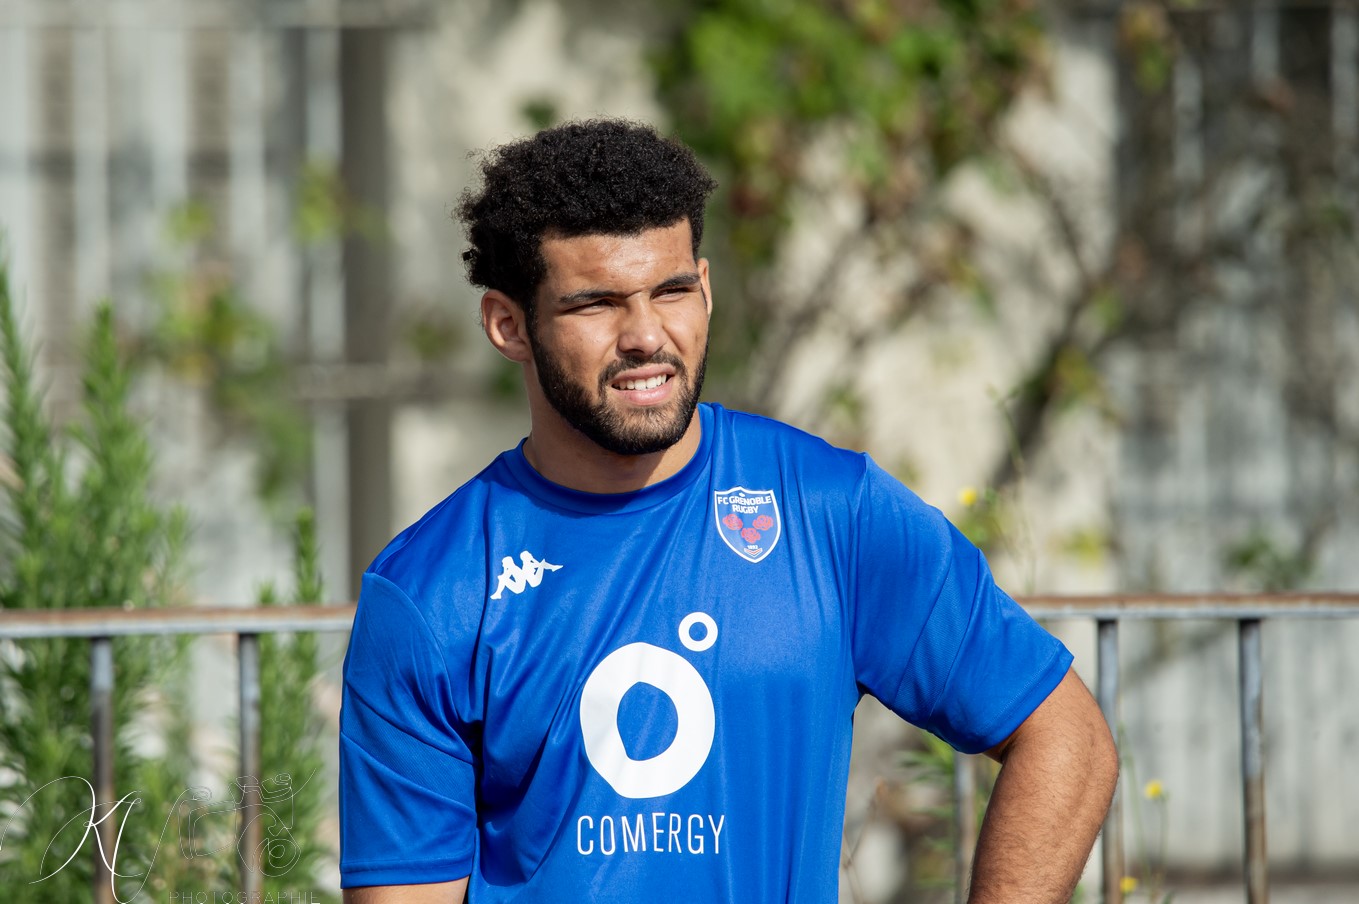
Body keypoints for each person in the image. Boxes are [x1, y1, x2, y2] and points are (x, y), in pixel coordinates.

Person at [339, 118, 1118, 903]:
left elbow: (1065, 737)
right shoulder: (431, 590)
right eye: (596, 304)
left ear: (704, 288)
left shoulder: (828, 509)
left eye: (671, 291)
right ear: (509, 326)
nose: (646, 335)